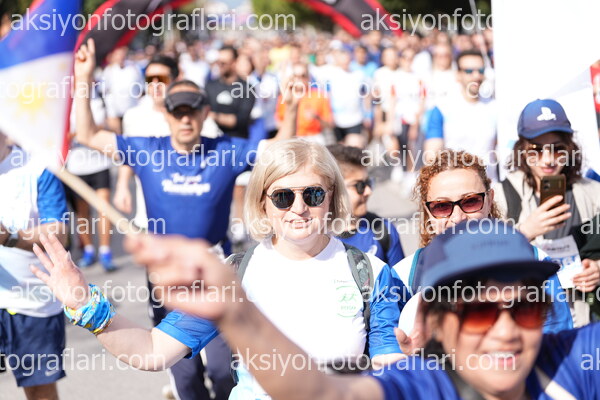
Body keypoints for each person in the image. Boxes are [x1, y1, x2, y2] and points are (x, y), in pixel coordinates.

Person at [32, 139, 405, 400]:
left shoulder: (370, 272)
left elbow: (390, 370)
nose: (298, 207)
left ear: (332, 198)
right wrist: (85, 304)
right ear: (262, 202)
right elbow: (153, 351)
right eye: (282, 196)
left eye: (313, 194)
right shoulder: (235, 273)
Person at [121, 221, 600, 400]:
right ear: (436, 324)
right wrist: (234, 311)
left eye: (526, 307)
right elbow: (320, 392)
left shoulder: (573, 361)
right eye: (478, 311)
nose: (506, 331)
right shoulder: (424, 387)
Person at [72, 39, 298, 400]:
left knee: (224, 371)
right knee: (185, 374)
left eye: (192, 111)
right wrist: (83, 79)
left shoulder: (226, 151)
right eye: (178, 112)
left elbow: (280, 149)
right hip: (166, 275)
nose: (185, 119)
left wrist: (294, 105)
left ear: (205, 112)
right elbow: (87, 135)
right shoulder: (147, 150)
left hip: (217, 271)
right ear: (166, 113)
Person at [392, 149, 571, 335]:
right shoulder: (403, 276)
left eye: (470, 202)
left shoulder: (535, 262)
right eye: (442, 206)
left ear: (489, 200)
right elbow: (387, 345)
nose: (458, 218)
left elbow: (558, 340)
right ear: (428, 211)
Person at [494, 98, 600, 327]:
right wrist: (524, 233)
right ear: (522, 150)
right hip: (523, 323)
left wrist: (597, 268)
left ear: (569, 148)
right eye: (537, 150)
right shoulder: (500, 196)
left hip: (581, 322)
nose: (548, 159)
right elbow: (482, 261)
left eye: (557, 149)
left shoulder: (593, 194)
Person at [0, 132, 68, 400]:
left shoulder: (37, 168)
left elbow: (58, 233)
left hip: (31, 302)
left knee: (39, 390)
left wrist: (9, 237)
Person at [423, 50, 497, 179]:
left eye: (480, 71)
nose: (476, 76)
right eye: (469, 71)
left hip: (490, 184)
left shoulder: (494, 107)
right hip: (456, 186)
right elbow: (431, 156)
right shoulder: (442, 108)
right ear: (458, 74)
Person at [327, 144, 404, 266]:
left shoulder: (382, 230)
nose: (368, 191)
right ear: (334, 189)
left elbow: (400, 277)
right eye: (359, 186)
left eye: (368, 182)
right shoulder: (314, 239)